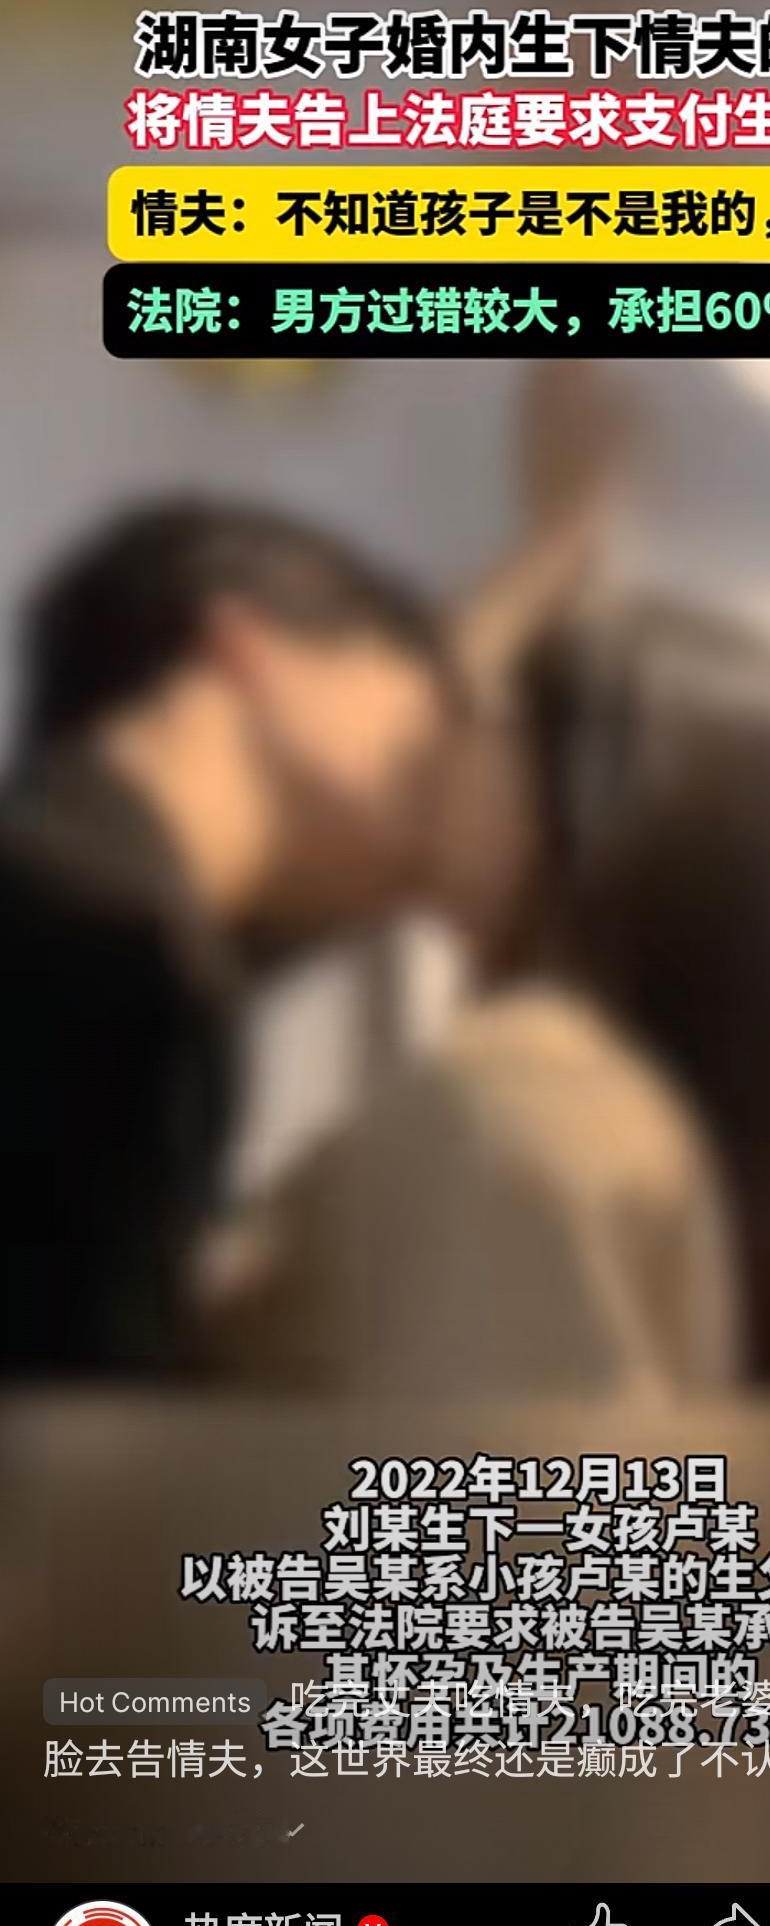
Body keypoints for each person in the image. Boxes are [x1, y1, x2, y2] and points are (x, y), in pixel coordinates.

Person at [221, 592, 770, 1397]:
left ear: (587, 794)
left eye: (489, 721)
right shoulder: (594, 1102)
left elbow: (484, 1467)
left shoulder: (516, 1100)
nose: (429, 746)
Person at [0, 499, 448, 1376]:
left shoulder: (75, 880)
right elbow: (78, 1397)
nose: (431, 734)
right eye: (400, 662)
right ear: (244, 647)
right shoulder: (109, 942)